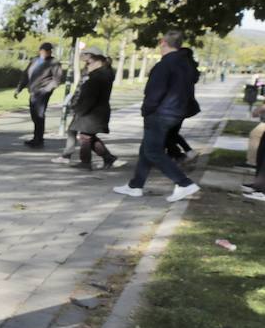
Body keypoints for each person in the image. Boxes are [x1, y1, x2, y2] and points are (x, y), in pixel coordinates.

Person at [114, 29, 201, 202]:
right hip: (177, 113)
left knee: (153, 150)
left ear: (163, 42)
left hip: (161, 113)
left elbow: (154, 92)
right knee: (146, 148)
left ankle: (184, 183)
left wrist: (147, 110)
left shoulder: (165, 64)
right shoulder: (186, 64)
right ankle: (135, 185)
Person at [66, 48, 118, 170]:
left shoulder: (98, 76)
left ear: (96, 61)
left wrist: (79, 111)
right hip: (96, 110)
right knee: (89, 136)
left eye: (88, 62)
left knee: (85, 137)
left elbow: (90, 97)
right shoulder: (103, 73)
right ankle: (108, 158)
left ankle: (85, 163)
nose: (86, 65)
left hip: (93, 112)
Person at [14, 42, 64, 148]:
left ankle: (39, 140)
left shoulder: (54, 62)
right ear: (40, 50)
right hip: (33, 90)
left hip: (43, 91)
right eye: (44, 50)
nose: (47, 52)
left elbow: (57, 79)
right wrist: (19, 88)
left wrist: (46, 90)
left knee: (39, 114)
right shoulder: (34, 60)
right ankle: (36, 137)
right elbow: (26, 75)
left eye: (49, 50)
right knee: (34, 114)